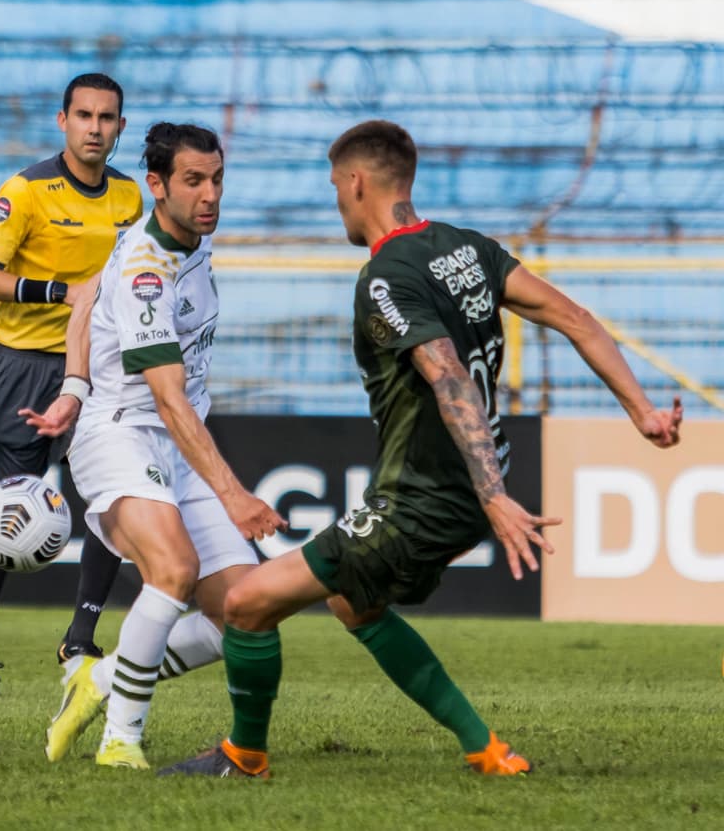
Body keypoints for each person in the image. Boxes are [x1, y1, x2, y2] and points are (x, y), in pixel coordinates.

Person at [160, 119, 684, 780]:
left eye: (334, 187)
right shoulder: (467, 248)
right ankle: (488, 750)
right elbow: (574, 317)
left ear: (355, 184)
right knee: (355, 603)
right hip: (469, 482)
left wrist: (493, 498)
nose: (335, 201)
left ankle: (244, 756)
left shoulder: (384, 276)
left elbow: (449, 377)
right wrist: (641, 410)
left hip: (424, 498)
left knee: (246, 604)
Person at [24, 122, 285, 770]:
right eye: (194, 180)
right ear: (157, 184)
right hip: (121, 430)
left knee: (245, 616)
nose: (210, 194)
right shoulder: (147, 267)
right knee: (172, 568)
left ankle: (101, 679)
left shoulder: (184, 243)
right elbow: (166, 396)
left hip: (177, 441)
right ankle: (121, 741)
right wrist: (234, 493)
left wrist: (71, 382)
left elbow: (84, 301)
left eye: (217, 179)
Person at [0, 73, 144, 695]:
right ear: (62, 120)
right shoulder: (26, 190)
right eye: (84, 115)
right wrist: (60, 292)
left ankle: (81, 639)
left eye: (107, 117)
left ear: (120, 125)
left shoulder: (128, 197)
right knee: (10, 506)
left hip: (99, 368)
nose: (95, 127)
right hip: (22, 363)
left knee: (112, 499)